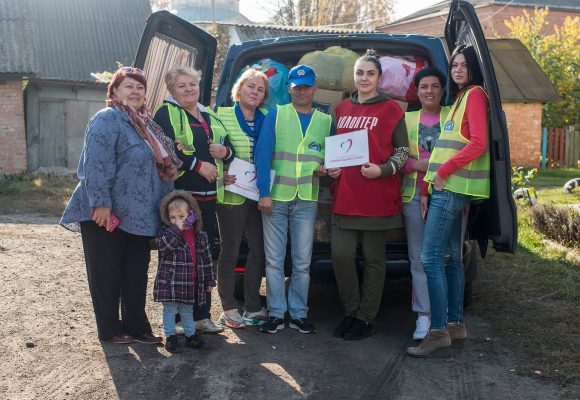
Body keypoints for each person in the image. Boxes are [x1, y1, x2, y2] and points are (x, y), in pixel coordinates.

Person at [60, 66, 181, 344]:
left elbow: (161, 169)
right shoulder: (108, 119)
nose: (135, 91)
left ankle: (138, 328)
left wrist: (167, 209)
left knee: (136, 273)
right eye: (129, 86)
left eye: (140, 87)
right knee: (106, 273)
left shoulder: (149, 125)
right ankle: (110, 330)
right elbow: (96, 164)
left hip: (141, 213)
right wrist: (100, 203)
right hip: (107, 212)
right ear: (114, 91)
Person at [407, 44, 490, 357]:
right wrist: (430, 185)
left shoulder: (474, 96)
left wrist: (443, 171)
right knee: (453, 259)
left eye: (462, 65)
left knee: (430, 258)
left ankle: (438, 329)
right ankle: (456, 324)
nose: (457, 70)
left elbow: (479, 143)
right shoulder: (461, 98)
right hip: (448, 186)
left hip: (451, 187)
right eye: (454, 65)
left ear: (472, 68)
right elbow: (452, 145)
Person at [328, 50, 409, 340]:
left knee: (375, 260)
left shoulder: (391, 109)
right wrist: (332, 169)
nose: (364, 78)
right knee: (341, 255)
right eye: (360, 73)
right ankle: (351, 310)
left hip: (377, 196)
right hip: (345, 195)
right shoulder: (342, 108)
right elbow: (335, 149)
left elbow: (402, 152)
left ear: (378, 77)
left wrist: (384, 170)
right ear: (354, 76)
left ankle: (365, 317)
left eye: (370, 73)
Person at [154, 67, 233, 334]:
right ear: (172, 90)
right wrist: (199, 165)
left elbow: (227, 147)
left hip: (210, 201)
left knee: (204, 256)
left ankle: (202, 316)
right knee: (180, 259)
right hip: (183, 202)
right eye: (181, 86)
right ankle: (178, 320)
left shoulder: (209, 113)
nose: (188, 89)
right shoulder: (166, 113)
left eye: (192, 84)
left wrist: (225, 153)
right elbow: (163, 149)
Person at [255, 64, 332, 334]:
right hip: (275, 198)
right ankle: (276, 313)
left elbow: (329, 159)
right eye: (297, 86)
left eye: (306, 86)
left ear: (314, 88)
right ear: (289, 88)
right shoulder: (276, 114)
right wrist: (263, 192)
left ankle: (299, 314)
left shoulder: (325, 121)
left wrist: (326, 168)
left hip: (307, 198)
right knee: (274, 261)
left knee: (302, 263)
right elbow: (262, 155)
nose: (302, 91)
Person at [214, 69, 270, 328]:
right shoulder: (221, 114)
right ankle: (228, 308)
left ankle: (252, 307)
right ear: (239, 89)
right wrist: (220, 173)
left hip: (260, 194)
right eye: (251, 86)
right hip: (232, 193)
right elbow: (210, 148)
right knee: (230, 251)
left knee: (259, 251)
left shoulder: (269, 117)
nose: (255, 92)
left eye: (260, 89)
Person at [400, 67, 450, 340]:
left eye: (434, 86)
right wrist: (417, 164)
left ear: (442, 90)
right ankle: (424, 317)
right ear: (416, 92)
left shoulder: (452, 117)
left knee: (445, 259)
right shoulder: (406, 119)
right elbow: (393, 156)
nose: (429, 91)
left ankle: (446, 318)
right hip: (412, 197)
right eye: (424, 87)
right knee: (419, 260)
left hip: (447, 195)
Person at [154, 191, 215, 352]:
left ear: (191, 215)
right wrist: (177, 229)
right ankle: (171, 337)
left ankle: (191, 336)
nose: (176, 221)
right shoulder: (166, 233)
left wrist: (209, 280)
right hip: (170, 282)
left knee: (188, 311)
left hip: (189, 282)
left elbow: (206, 259)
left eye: (181, 217)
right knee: (170, 310)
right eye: (173, 217)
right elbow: (163, 246)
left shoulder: (199, 235)